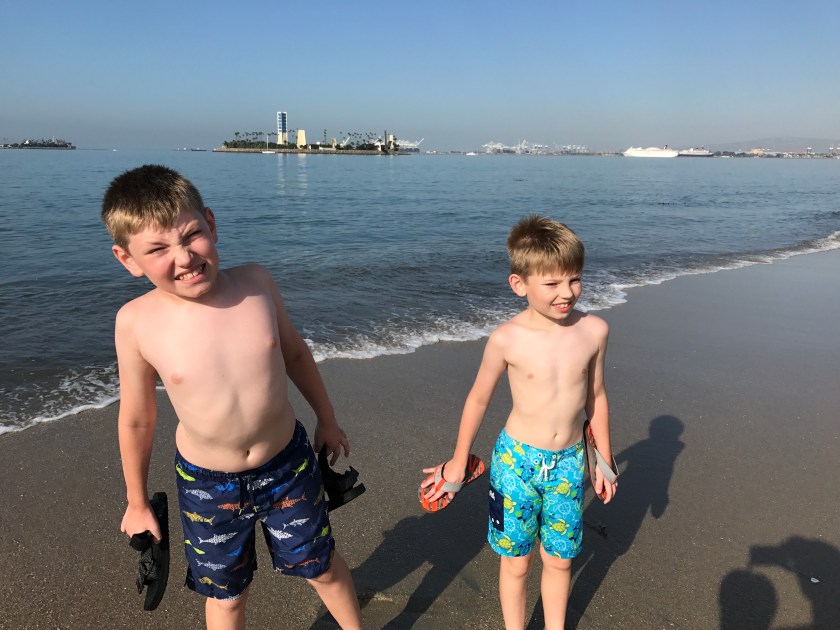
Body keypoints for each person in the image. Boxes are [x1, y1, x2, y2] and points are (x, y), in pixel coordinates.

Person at [102, 164, 362, 629]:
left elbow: (295, 354)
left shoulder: (256, 284)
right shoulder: (136, 322)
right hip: (207, 484)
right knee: (226, 596)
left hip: (287, 464)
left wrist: (327, 418)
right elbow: (138, 418)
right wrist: (136, 501)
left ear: (211, 224)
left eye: (191, 236)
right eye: (158, 249)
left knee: (320, 566)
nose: (184, 257)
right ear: (128, 259)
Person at [421, 215, 618, 630]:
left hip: (568, 464)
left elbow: (596, 397)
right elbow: (478, 399)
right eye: (552, 283)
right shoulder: (506, 339)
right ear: (519, 284)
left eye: (575, 280)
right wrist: (459, 460)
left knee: (560, 559)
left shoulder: (594, 331)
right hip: (515, 464)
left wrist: (603, 460)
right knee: (516, 561)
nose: (567, 293)